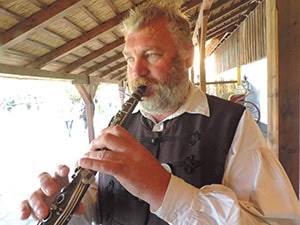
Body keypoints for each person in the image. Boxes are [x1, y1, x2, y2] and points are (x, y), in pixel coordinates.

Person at [20, 1, 300, 225]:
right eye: (130, 58)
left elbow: (276, 221)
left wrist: (162, 189)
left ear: (188, 56)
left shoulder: (234, 123)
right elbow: (99, 202)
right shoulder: (118, 125)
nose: (136, 71)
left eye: (151, 55)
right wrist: (69, 206)